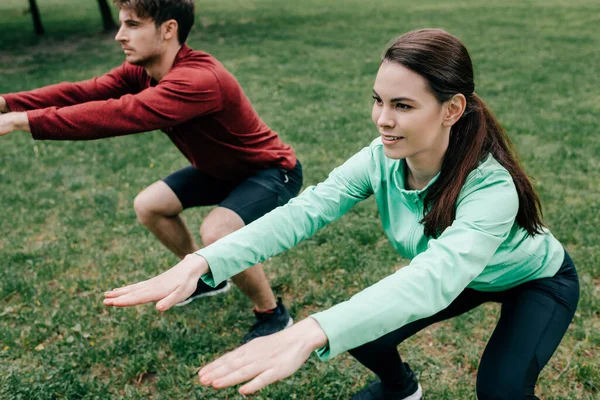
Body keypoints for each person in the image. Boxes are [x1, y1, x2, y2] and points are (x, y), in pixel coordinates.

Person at [102, 28, 579, 400]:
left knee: (499, 391)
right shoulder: (379, 158)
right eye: (378, 100)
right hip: (463, 276)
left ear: (451, 108)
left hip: (533, 281)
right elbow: (305, 211)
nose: (382, 119)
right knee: (367, 336)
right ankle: (401, 390)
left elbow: (435, 278)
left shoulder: (491, 188)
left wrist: (313, 331)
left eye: (403, 105)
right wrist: (205, 261)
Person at [0, 0, 303, 342]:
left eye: (132, 25)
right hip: (219, 171)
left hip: (271, 171)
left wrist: (22, 121)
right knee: (150, 205)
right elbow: (84, 91)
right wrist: (8, 102)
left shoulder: (198, 79)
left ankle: (272, 314)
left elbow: (120, 114)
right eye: (121, 25)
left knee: (217, 233)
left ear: (168, 29)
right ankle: (208, 280)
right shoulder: (143, 72)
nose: (119, 36)